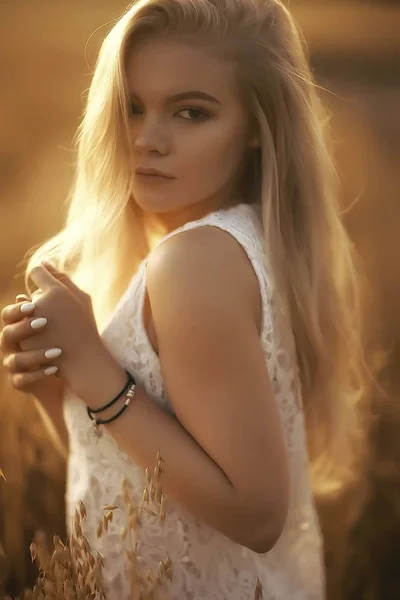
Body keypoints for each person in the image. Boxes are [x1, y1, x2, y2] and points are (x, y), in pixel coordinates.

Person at [0, 0, 369, 598]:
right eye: (132, 107)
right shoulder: (242, 241)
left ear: (256, 127)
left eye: (191, 112)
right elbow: (146, 484)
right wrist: (58, 389)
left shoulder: (195, 263)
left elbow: (256, 515)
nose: (147, 139)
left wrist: (96, 372)